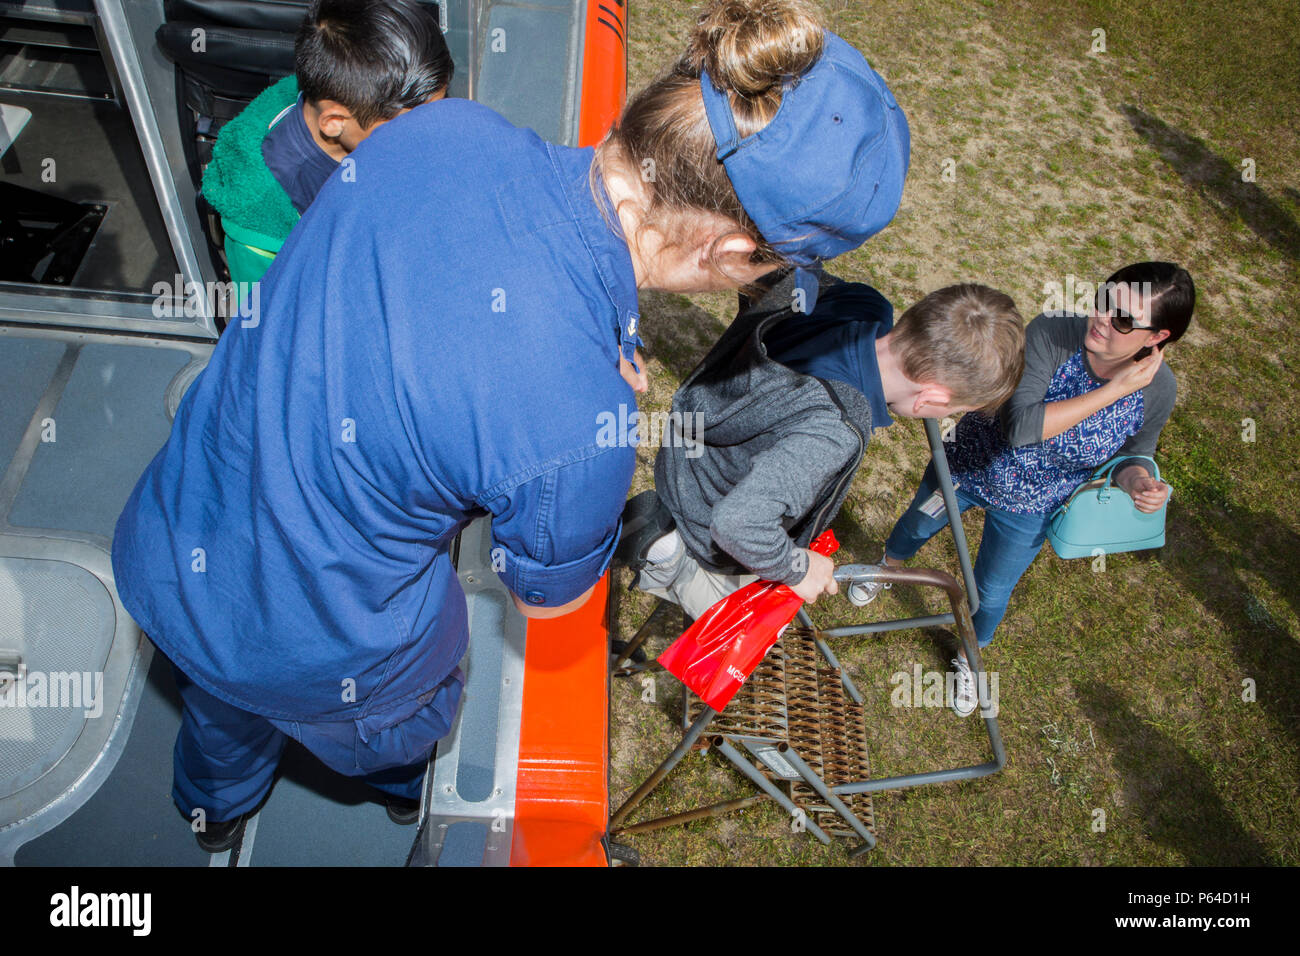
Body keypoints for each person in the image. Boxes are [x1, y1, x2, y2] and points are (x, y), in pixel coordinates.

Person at [111, 0, 910, 851]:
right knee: (407, 717)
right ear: (729, 254)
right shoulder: (582, 421)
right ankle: (394, 789)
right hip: (314, 632)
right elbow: (543, 593)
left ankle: (213, 808)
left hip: (174, 524)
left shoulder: (442, 129)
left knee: (217, 703)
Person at [873, 261, 1194, 714]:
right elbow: (1022, 427)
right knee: (916, 525)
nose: (1101, 318)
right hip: (969, 464)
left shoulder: (1158, 390)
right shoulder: (1053, 332)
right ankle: (886, 569)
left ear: (1158, 338)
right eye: (1102, 300)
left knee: (993, 589)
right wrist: (1113, 390)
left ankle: (969, 655)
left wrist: (1139, 479)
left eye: (1123, 319)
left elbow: (1134, 451)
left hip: (1034, 502)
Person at [622, 275, 1026, 622]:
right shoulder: (833, 430)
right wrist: (798, 569)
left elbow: (773, 275)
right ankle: (666, 553)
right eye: (954, 409)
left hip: (695, 442)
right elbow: (738, 524)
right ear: (930, 398)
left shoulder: (862, 302)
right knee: (743, 628)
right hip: (704, 512)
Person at [200, 0, 452, 277]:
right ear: (334, 123)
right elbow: (270, 311)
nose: (427, 137)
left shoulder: (350, 105)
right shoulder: (266, 219)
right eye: (407, 130)